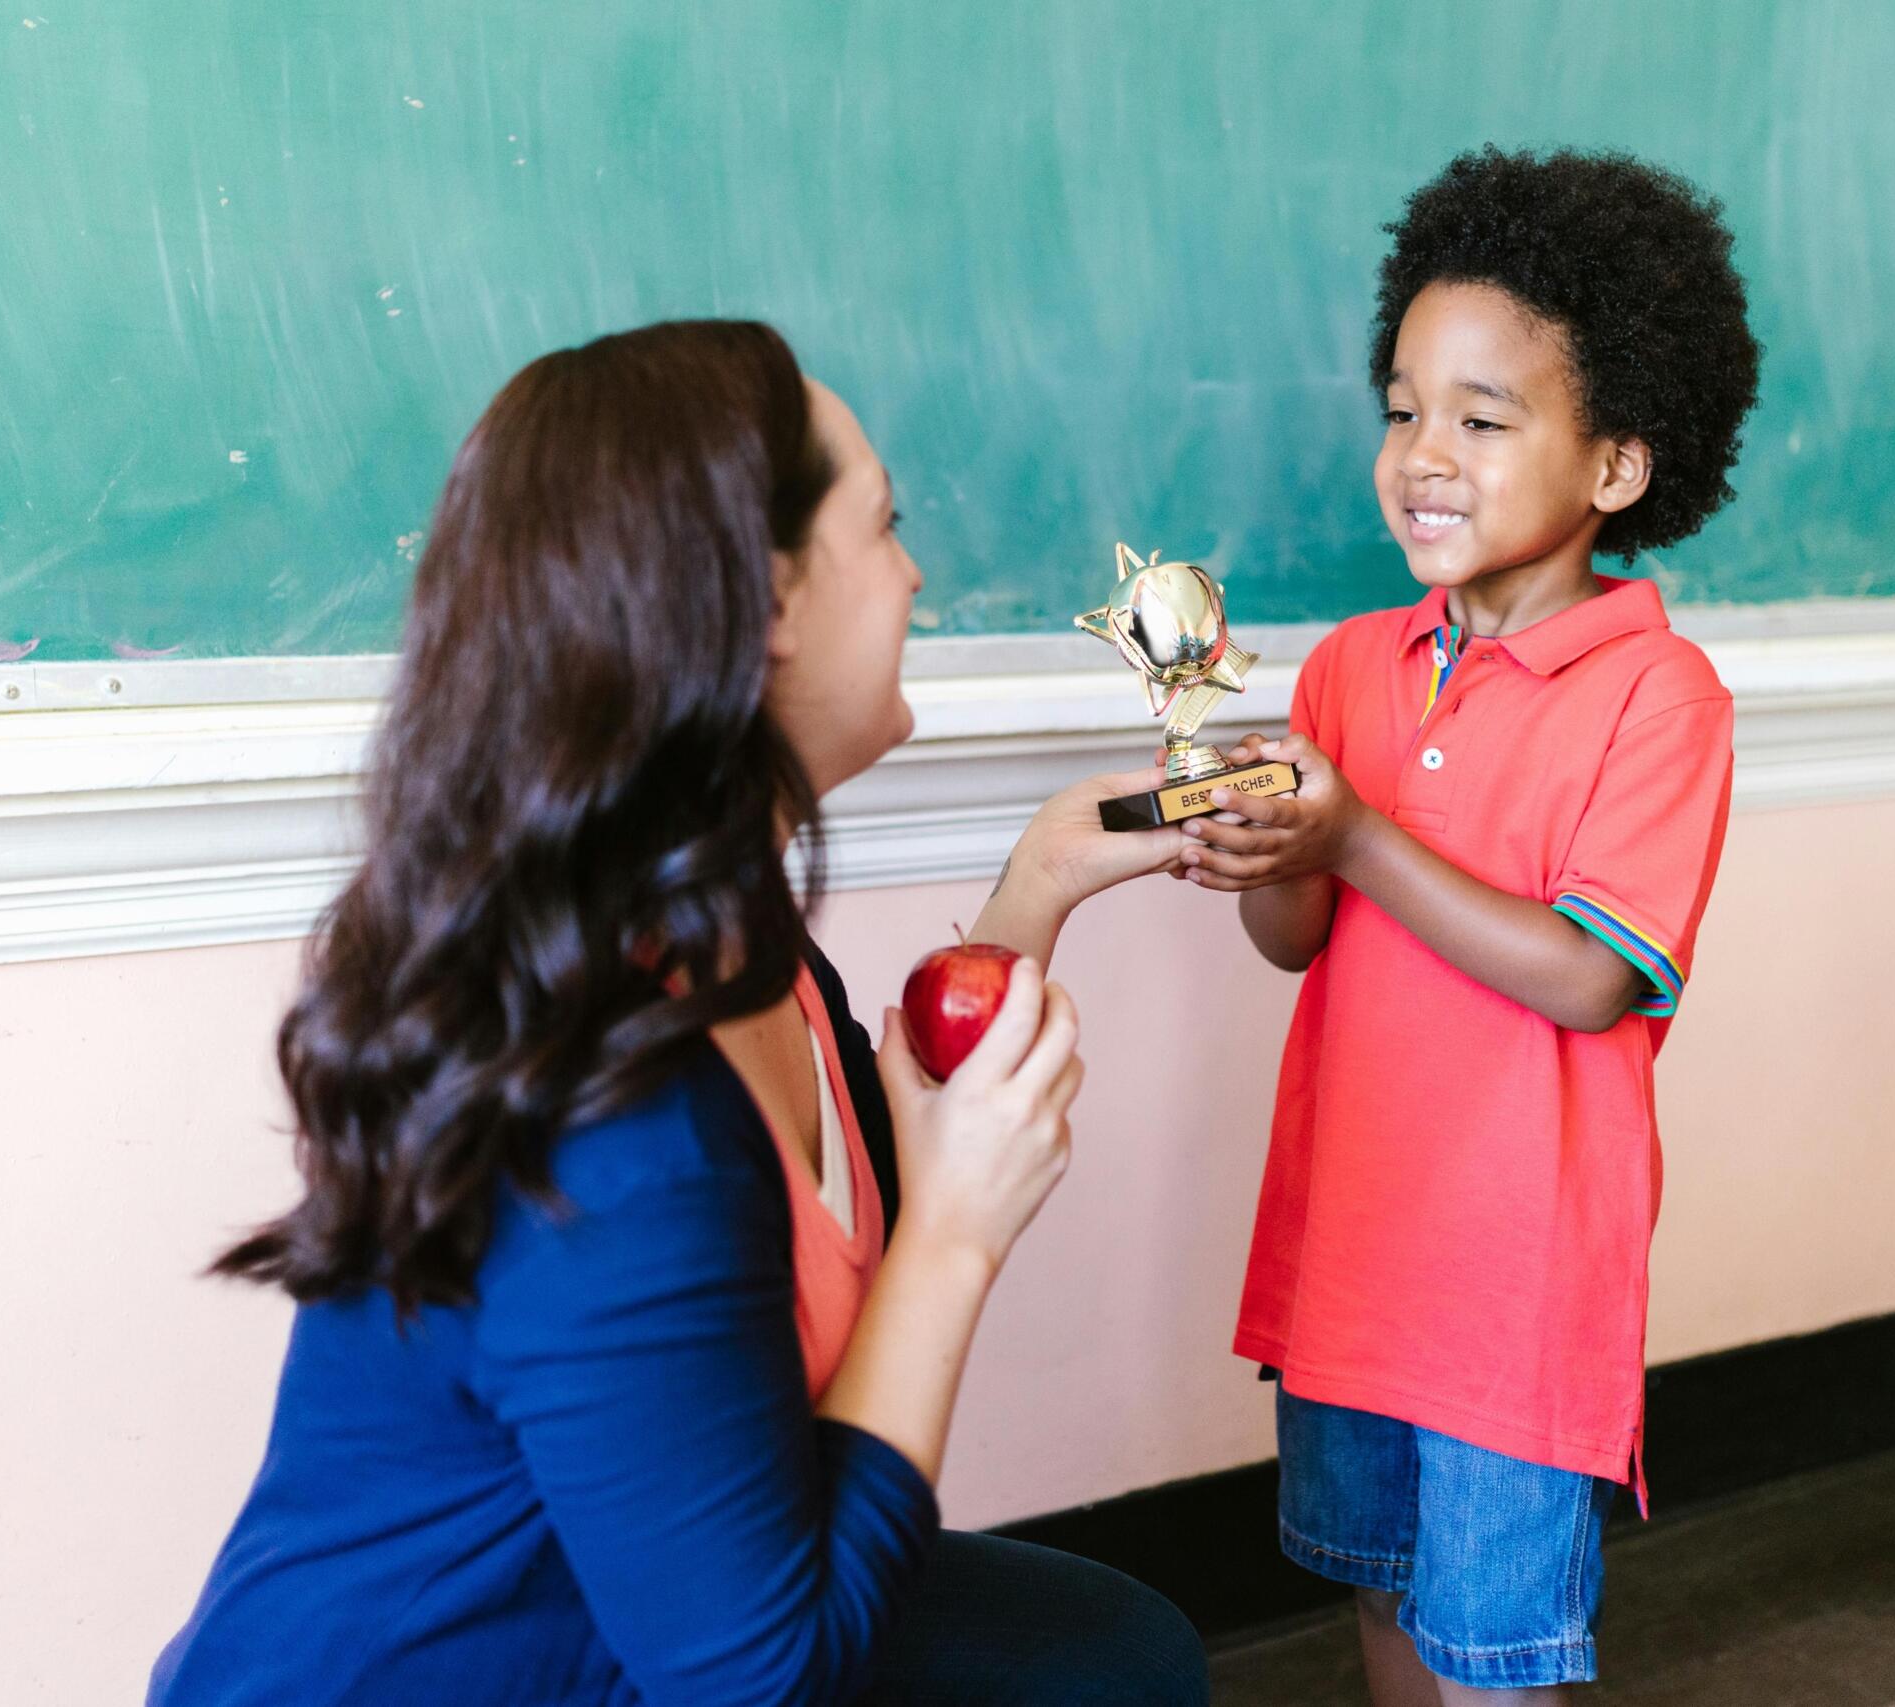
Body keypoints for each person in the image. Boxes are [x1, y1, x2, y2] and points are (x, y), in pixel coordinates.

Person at [148, 320, 1210, 1706]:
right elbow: (758, 1683)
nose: (916, 574)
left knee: (1114, 1663)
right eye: (884, 528)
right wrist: (959, 1235)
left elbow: (814, 1260)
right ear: (766, 604)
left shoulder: (738, 949)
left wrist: (1039, 888)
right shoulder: (618, 1108)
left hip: (634, 1626)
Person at [1175, 148, 1762, 1700]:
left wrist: (1355, 832)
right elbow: (1296, 941)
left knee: (1495, 1655)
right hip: (1350, 1254)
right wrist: (1267, 844)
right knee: (1379, 1597)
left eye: (1483, 420)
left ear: (1617, 468)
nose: (1423, 454)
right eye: (1403, 408)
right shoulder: (1349, 669)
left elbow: (1586, 979)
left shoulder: (1659, 696)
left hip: (1515, 1296)